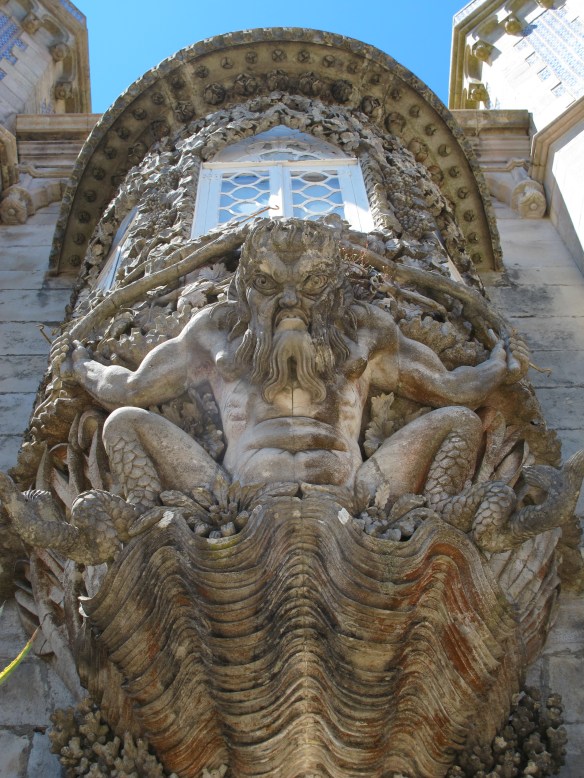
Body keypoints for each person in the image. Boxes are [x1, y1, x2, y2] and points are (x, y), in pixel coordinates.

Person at [61, 219, 527, 509]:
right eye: (267, 283)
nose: (289, 298)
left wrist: (499, 365)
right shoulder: (214, 333)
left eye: (312, 281)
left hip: (360, 488)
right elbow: (131, 388)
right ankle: (146, 519)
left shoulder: (368, 333)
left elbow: (449, 387)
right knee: (122, 423)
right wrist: (82, 364)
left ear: (336, 286)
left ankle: (434, 518)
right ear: (245, 288)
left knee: (459, 422)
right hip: (230, 489)